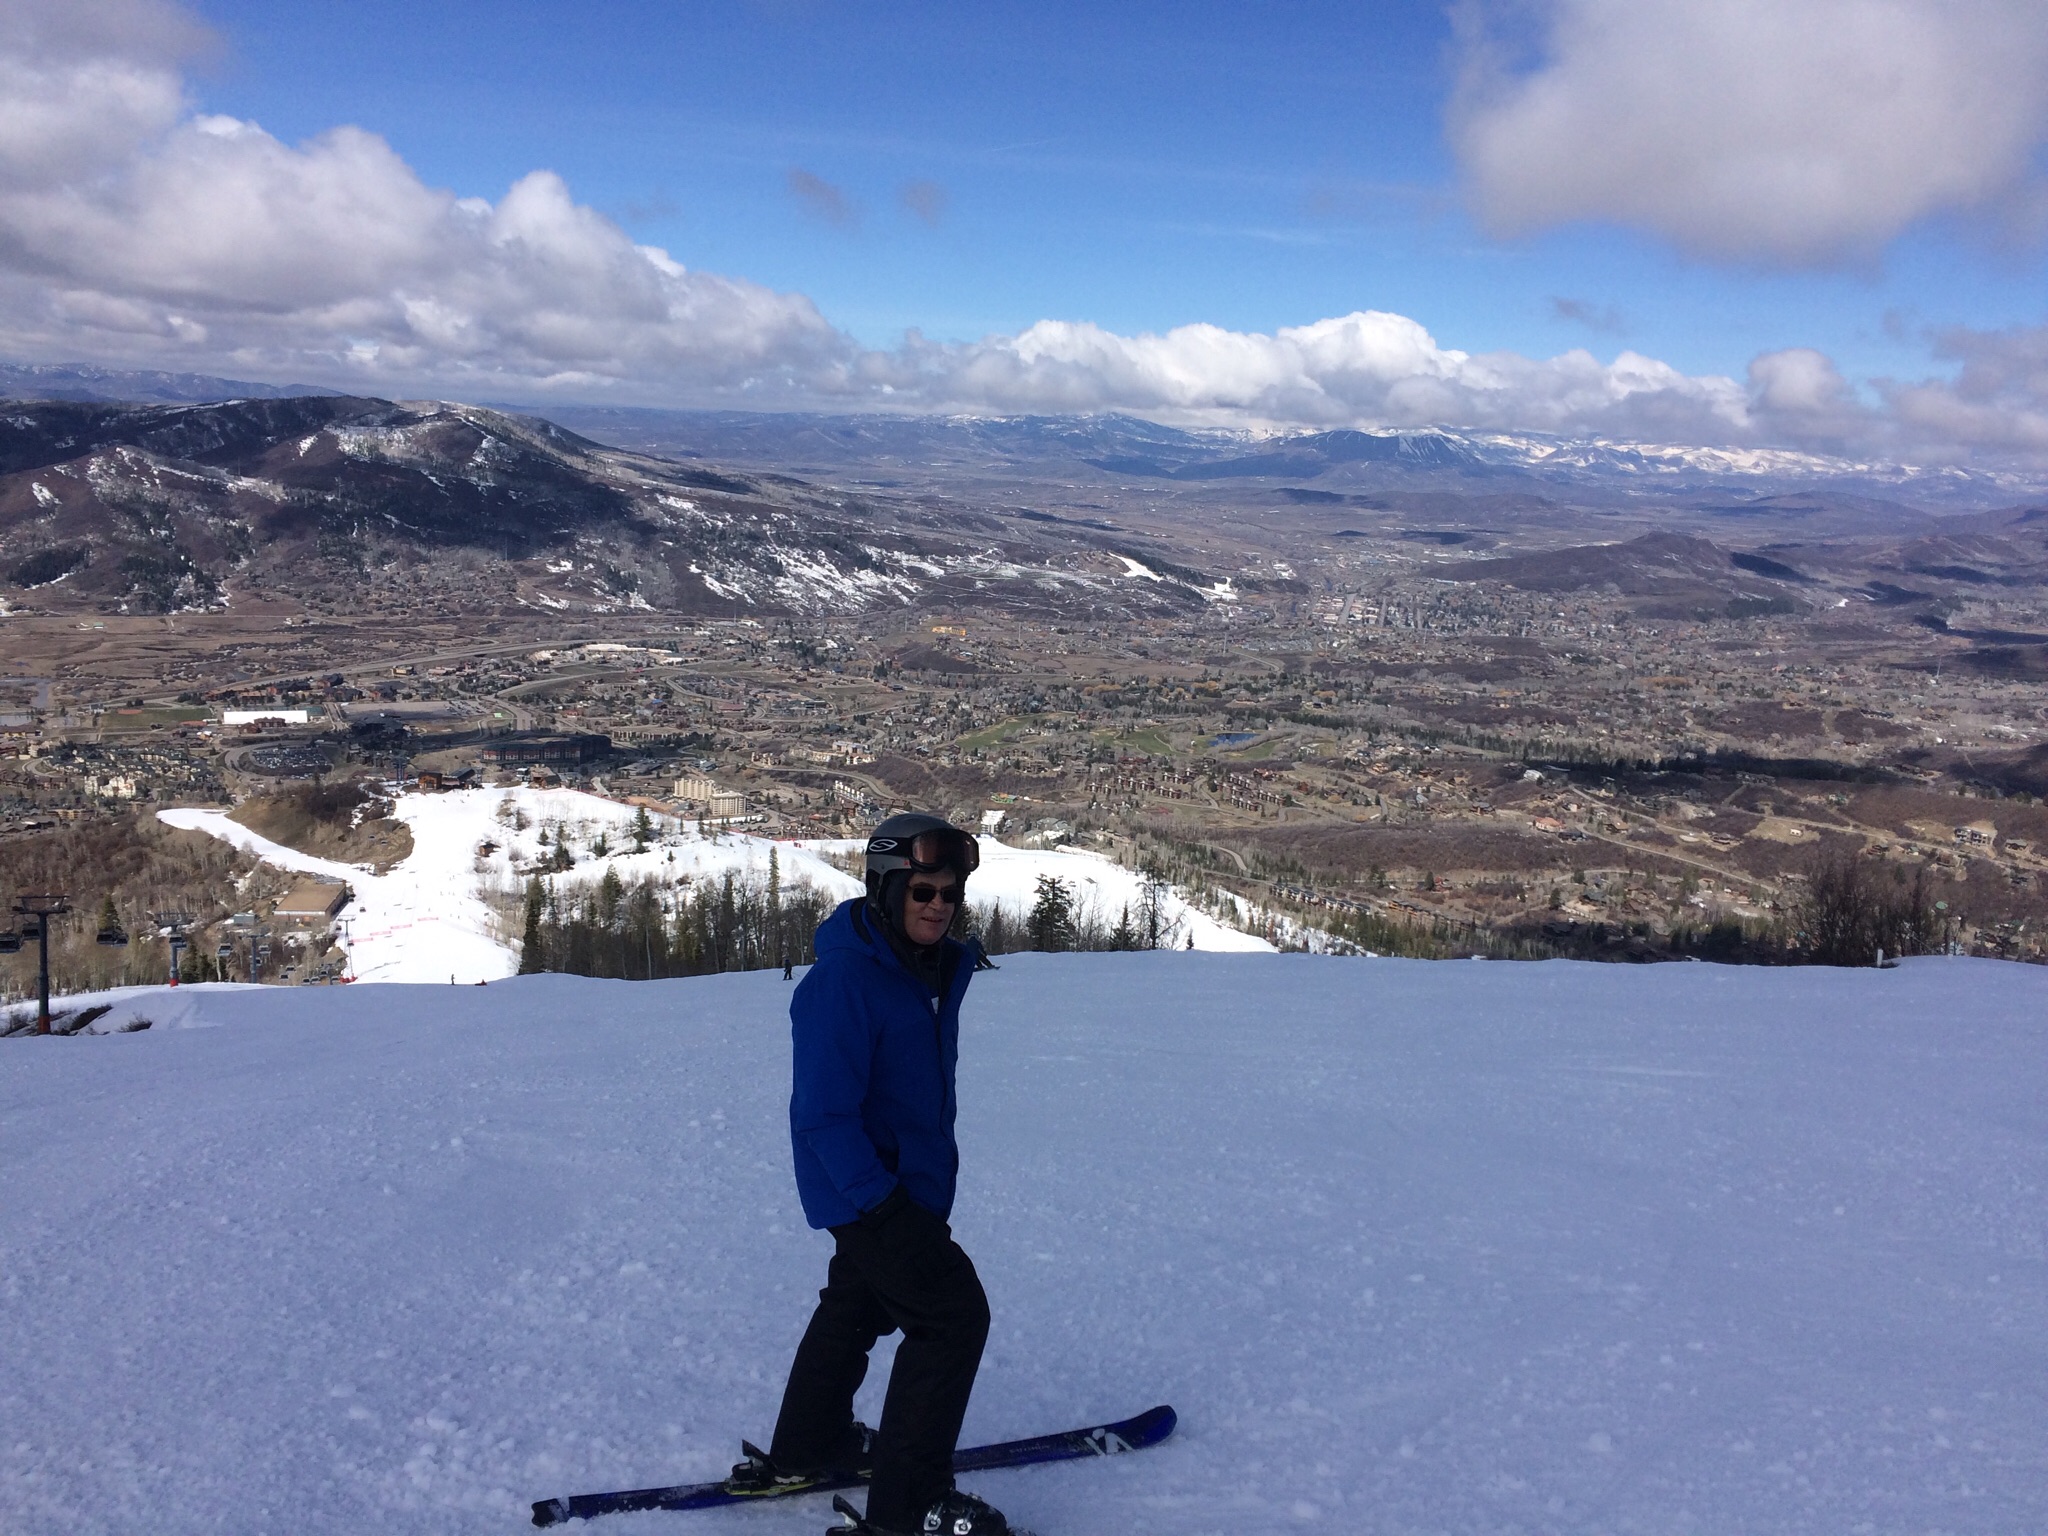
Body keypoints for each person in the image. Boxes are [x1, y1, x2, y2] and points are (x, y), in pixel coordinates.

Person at [729, 813, 1009, 1536]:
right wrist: (884, 1208)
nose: (939, 906)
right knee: (951, 1317)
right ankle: (909, 1509)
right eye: (922, 891)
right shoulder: (845, 981)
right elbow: (823, 1116)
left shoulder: (926, 967)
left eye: (950, 893)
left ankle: (810, 1441)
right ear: (886, 889)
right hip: (870, 1192)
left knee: (857, 1304)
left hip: (900, 1185)